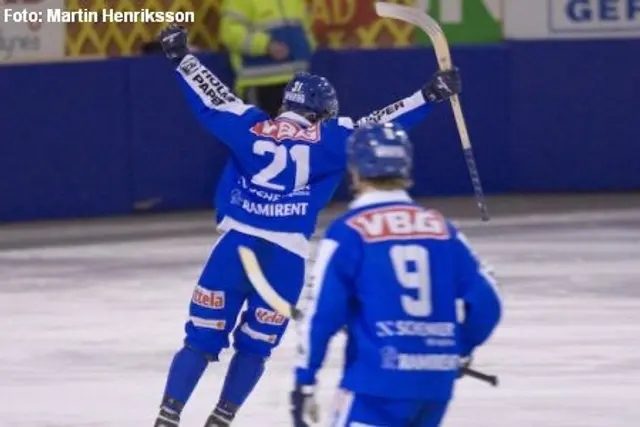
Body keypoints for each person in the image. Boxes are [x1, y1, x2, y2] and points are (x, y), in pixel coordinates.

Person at [153, 24, 462, 427]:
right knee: (254, 349)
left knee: (199, 340)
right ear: (322, 112)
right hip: (286, 259)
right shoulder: (333, 139)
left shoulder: (248, 124)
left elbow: (212, 98)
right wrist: (430, 94)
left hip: (234, 250)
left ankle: (168, 416)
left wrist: (180, 57)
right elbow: (382, 125)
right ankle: (221, 419)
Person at [291, 122, 502, 427]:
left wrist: (305, 382)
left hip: (375, 386)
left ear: (355, 170)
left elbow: (322, 316)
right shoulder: (443, 230)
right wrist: (458, 350)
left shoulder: (348, 233)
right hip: (434, 386)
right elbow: (488, 303)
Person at [219, 0, 316, 117]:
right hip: (259, 82)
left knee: (296, 133)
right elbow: (230, 33)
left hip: (296, 83)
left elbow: (305, 28)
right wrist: (266, 45)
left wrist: (307, 48)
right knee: (263, 133)